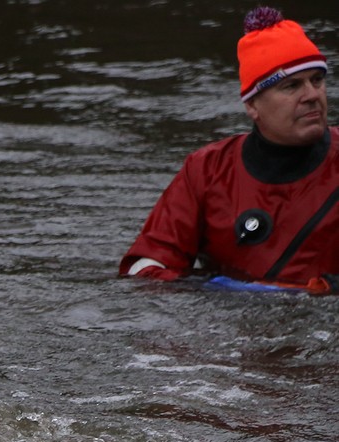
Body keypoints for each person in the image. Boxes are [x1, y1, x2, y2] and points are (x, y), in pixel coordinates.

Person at [120, 7, 337, 291]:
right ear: (252, 105)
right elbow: (144, 268)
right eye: (292, 86)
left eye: (317, 80)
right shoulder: (206, 171)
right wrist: (209, 290)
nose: (311, 95)